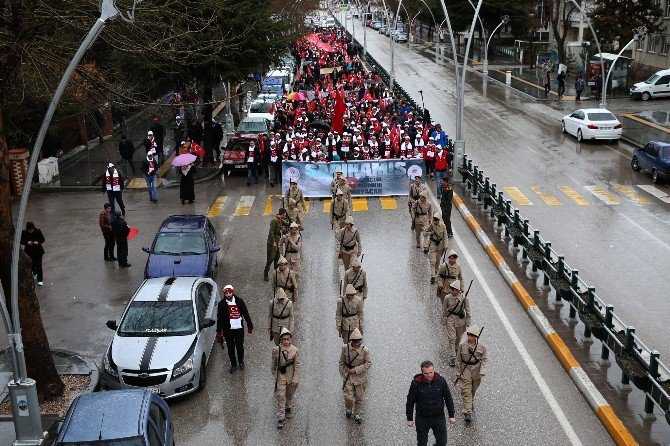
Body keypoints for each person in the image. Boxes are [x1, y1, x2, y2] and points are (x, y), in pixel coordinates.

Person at [405, 360, 456, 446]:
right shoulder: (415, 384)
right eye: (426, 373)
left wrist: (451, 415)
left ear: (434, 370)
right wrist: (409, 418)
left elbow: (448, 398)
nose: (429, 375)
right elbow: (410, 401)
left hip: (438, 417)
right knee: (422, 443)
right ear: (422, 372)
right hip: (422, 418)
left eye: (431, 372)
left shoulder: (441, 381)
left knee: (442, 443)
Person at [216, 284, 254, 373]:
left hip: (239, 329)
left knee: (240, 347)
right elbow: (220, 319)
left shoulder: (239, 301)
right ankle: (233, 364)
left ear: (233, 292)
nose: (228, 295)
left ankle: (241, 361)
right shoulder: (221, 304)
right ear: (224, 294)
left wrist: (250, 325)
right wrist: (219, 332)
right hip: (228, 331)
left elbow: (245, 313)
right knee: (231, 348)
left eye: (230, 293)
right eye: (226, 293)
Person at [339, 328, 371, 424]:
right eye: (355, 341)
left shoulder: (365, 350)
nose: (357, 343)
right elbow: (341, 362)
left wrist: (356, 370)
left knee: (359, 397)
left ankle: (357, 413)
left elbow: (368, 363)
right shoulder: (345, 348)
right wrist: (343, 374)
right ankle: (349, 408)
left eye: (359, 341)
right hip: (348, 376)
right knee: (348, 397)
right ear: (351, 341)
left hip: (360, 377)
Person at [272, 327, 301, 429]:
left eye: (288, 339)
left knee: (289, 394)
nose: (286, 341)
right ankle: (281, 418)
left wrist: (296, 378)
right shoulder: (276, 350)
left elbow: (297, 365)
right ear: (281, 340)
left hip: (291, 375)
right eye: (284, 339)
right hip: (281, 376)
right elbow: (273, 365)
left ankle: (288, 407)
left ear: (290, 339)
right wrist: (275, 376)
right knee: (281, 396)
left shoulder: (295, 350)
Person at [456, 325, 487, 422]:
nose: (470, 337)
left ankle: (470, 402)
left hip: (476, 370)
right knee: (466, 390)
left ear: (476, 336)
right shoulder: (462, 345)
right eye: (468, 334)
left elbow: (484, 359)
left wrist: (482, 371)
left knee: (473, 390)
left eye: (472, 335)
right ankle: (467, 412)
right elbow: (458, 360)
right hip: (465, 370)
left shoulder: (481, 347)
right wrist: (458, 372)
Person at [443, 280, 471, 367]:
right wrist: (443, 320)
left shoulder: (464, 298)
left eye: (453, 289)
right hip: (450, 319)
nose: (451, 291)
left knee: (458, 338)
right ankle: (453, 356)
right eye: (451, 289)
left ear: (458, 290)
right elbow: (444, 309)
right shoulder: (447, 297)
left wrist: (468, 321)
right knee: (452, 338)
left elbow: (468, 310)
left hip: (460, 321)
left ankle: (456, 350)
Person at [264, 208, 288, 281]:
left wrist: (294, 224)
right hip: (272, 242)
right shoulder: (274, 220)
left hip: (277, 241)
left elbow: (287, 224)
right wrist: (273, 242)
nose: (286, 215)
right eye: (285, 213)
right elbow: (271, 232)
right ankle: (265, 273)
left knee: (277, 258)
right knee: (270, 258)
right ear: (283, 213)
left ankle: (276, 273)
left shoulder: (280, 219)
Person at [424, 212, 448, 284]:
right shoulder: (431, 226)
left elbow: (445, 236)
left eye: (436, 220)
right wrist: (430, 233)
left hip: (440, 246)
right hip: (432, 245)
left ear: (439, 220)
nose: (435, 221)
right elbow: (425, 232)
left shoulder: (443, 226)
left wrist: (446, 245)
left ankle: (436, 271)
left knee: (438, 260)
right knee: (432, 261)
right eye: (434, 220)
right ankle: (433, 276)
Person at [20, 222, 45, 286]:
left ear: (33, 228)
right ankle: (34, 273)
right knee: (32, 264)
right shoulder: (24, 232)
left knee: (39, 266)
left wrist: (38, 242)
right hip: (29, 252)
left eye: (31, 230)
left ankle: (40, 280)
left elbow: (42, 239)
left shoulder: (38, 231)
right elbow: (22, 241)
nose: (30, 231)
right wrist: (27, 242)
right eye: (29, 230)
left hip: (38, 251)